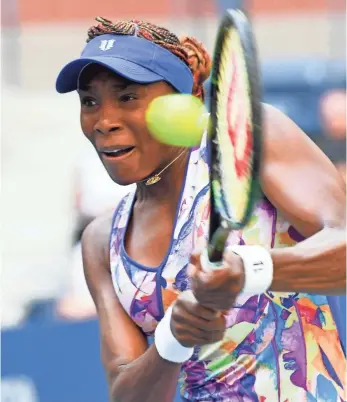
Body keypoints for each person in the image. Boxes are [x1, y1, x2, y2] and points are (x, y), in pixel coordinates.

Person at [55, 17, 346, 402]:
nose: (104, 121)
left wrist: (250, 270)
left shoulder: (250, 140)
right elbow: (127, 394)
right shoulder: (100, 242)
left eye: (127, 97)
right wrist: (171, 339)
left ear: (184, 101)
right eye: (89, 101)